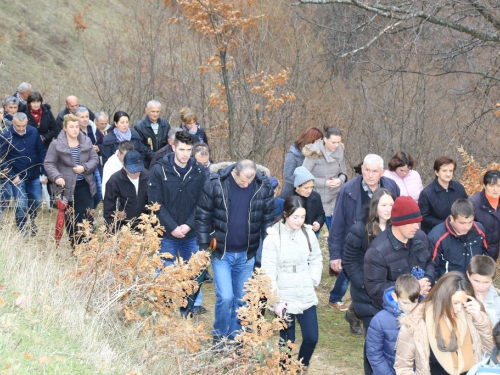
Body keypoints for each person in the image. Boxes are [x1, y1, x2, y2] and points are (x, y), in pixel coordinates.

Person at [196, 159, 274, 343]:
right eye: (242, 182)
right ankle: (220, 335)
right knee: (225, 297)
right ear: (234, 173)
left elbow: (267, 219)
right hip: (222, 252)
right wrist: (203, 244)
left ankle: (235, 337)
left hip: (247, 253)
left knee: (242, 299)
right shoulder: (216, 184)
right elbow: (203, 214)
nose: (246, 185)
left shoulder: (263, 186)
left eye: (249, 181)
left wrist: (269, 246)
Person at [328, 154, 399, 336]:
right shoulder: (349, 190)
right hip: (357, 245)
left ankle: (355, 313)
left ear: (382, 172)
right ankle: (359, 314)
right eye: (366, 170)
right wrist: (335, 254)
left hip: (384, 245)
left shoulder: (391, 187)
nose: (370, 175)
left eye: (374, 171)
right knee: (361, 285)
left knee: (378, 285)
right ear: (362, 169)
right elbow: (338, 222)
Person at [261, 195, 322, 372]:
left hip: (305, 290)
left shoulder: (308, 233)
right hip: (283, 293)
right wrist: (276, 301)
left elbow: (316, 258)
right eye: (296, 217)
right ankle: (285, 369)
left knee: (312, 337)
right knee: (287, 341)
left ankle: (300, 367)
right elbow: (268, 271)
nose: (299, 221)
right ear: (286, 214)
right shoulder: (273, 236)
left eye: (303, 217)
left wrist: (312, 278)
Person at [149, 130, 207, 315]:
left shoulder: (199, 170)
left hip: (191, 233)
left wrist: (189, 225)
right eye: (181, 149)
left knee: (193, 272)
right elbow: (155, 203)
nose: (185, 154)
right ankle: (165, 310)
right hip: (167, 234)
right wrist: (172, 227)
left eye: (189, 150)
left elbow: (202, 201)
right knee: (166, 273)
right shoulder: (160, 169)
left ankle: (188, 308)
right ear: (173, 147)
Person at [395, 271, 494, 375]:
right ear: (442, 298)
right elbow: (403, 368)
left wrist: (480, 319)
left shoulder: (470, 314)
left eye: (462, 303)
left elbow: (492, 348)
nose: (459, 308)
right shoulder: (415, 322)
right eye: (455, 303)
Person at [343, 188, 395, 374]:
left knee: (388, 337)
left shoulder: (395, 228)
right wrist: (363, 283)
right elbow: (348, 260)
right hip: (366, 293)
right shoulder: (360, 228)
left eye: (391, 205)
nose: (388, 209)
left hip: (389, 291)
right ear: (375, 206)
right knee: (373, 337)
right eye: (384, 205)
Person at [364, 196, 434, 311]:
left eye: (418, 222)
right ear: (398, 223)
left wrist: (428, 280)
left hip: (421, 304)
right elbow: (375, 289)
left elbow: (430, 263)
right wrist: (412, 287)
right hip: (391, 310)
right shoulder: (377, 251)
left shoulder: (421, 237)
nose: (417, 227)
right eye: (412, 223)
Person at [44, 114, 98, 248]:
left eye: (77, 127)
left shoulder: (86, 141)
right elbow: (49, 163)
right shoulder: (56, 144)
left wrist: (84, 167)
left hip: (85, 184)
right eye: (72, 127)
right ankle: (76, 246)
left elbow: (94, 159)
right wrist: (57, 177)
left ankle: (88, 246)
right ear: (65, 128)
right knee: (71, 218)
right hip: (66, 186)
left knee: (87, 215)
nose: (75, 130)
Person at [0, 112, 47, 234]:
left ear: (26, 123)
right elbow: (2, 158)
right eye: (18, 126)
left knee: (37, 201)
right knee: (21, 204)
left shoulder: (33, 132)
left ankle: (31, 220)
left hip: (34, 174)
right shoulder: (6, 136)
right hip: (17, 176)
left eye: (23, 126)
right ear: (13, 123)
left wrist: (45, 171)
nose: (21, 129)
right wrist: (11, 175)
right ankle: (23, 229)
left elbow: (41, 151)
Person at [366, 274, 420, 375]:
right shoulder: (379, 320)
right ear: (395, 297)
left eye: (415, 302)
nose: (411, 308)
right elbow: (374, 354)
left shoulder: (423, 317)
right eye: (406, 303)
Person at [429, 199, 487, 280]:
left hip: (474, 281)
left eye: (470, 222)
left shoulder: (479, 229)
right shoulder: (436, 237)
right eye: (462, 223)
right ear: (452, 218)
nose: (467, 227)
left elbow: (486, 254)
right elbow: (431, 266)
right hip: (449, 284)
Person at [302, 126, 347, 229]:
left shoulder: (340, 152)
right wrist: (325, 183)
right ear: (325, 139)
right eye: (333, 142)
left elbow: (344, 172)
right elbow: (304, 176)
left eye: (338, 142)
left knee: (336, 235)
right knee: (311, 235)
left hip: (334, 200)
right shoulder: (313, 152)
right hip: (315, 200)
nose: (336, 145)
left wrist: (339, 180)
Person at [418, 156, 468, 234]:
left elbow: (467, 207)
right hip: (437, 232)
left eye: (450, 171)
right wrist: (447, 224)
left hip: (459, 230)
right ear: (436, 172)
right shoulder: (427, 193)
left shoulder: (459, 187)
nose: (448, 174)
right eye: (444, 171)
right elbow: (424, 217)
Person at [103, 150, 149, 231]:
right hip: (124, 227)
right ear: (124, 166)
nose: (136, 174)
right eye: (132, 171)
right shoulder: (114, 181)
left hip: (146, 224)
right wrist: (112, 231)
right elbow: (109, 209)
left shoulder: (148, 177)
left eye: (138, 170)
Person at [279, 127, 322, 199]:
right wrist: (304, 183)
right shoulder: (292, 155)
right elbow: (287, 176)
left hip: (308, 193)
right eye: (317, 142)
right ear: (310, 140)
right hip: (291, 195)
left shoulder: (315, 154)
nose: (319, 145)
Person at [470, 170, 500, 260]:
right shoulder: (473, 203)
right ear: (484, 186)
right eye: (491, 185)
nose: (495, 189)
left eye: (498, 186)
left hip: (494, 250)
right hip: (477, 251)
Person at [134, 100, 171, 168]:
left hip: (163, 161)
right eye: (153, 111)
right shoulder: (139, 126)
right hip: (146, 163)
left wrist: (162, 156)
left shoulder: (165, 124)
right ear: (147, 110)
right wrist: (155, 156)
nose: (155, 114)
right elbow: (140, 145)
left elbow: (169, 142)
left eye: (157, 111)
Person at [291, 166, 325, 236]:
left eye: (312, 187)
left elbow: (321, 214)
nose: (309, 191)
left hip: (311, 234)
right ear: (297, 187)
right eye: (306, 188)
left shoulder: (316, 196)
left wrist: (318, 222)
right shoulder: (287, 197)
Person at [467, 255, 500, 325]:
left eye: (486, 282)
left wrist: (483, 311)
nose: (481, 287)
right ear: (468, 275)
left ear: (492, 279)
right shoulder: (459, 297)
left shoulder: (497, 303)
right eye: (476, 281)